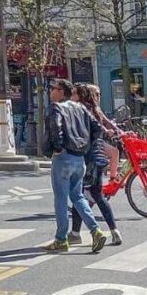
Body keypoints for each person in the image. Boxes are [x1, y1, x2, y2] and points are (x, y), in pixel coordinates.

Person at [43, 78, 107, 253]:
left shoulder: (57, 107)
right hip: (79, 158)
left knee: (61, 199)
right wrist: (85, 146)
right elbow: (97, 128)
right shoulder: (81, 108)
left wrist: (58, 148)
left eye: (53, 88)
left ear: (62, 92)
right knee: (77, 196)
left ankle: (61, 239)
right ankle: (96, 231)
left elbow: (56, 129)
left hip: (63, 157)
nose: (51, 91)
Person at [68, 84, 121, 246]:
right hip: (98, 156)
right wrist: (114, 130)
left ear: (81, 96)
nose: (72, 97)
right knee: (95, 195)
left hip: (85, 157)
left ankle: (80, 233)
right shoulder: (94, 110)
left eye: (74, 94)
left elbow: (95, 128)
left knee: (79, 196)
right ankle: (114, 231)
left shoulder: (81, 110)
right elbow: (104, 124)